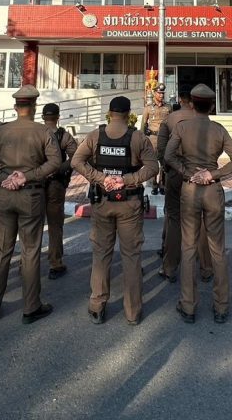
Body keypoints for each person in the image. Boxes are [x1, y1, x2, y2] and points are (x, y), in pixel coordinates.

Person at [0, 85, 62, 324]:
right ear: (34, 107)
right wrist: (28, 176)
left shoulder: (1, 131)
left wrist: (1, 177)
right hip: (31, 195)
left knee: (1, 252)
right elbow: (55, 162)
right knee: (30, 251)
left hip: (4, 194)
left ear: (16, 107)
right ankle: (30, 307)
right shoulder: (43, 131)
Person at [71, 96, 159, 325]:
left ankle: (97, 306)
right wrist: (127, 180)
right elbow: (153, 167)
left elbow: (76, 162)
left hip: (102, 202)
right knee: (131, 257)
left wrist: (100, 178)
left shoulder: (95, 136)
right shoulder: (138, 138)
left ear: (110, 113)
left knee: (101, 254)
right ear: (128, 114)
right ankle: (133, 312)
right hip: (130, 204)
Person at [164, 84, 232, 324]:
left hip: (190, 188)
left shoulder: (182, 127)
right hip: (212, 189)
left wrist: (187, 172)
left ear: (192, 104)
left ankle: (188, 305)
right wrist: (212, 174)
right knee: (217, 249)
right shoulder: (218, 129)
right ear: (211, 106)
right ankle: (221, 306)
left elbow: (168, 156)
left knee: (189, 247)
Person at [156, 85, 213, 283]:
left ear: (181, 99)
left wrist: (168, 169)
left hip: (176, 173)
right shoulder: (205, 120)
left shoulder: (170, 118)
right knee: (202, 220)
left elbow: (162, 149)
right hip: (200, 174)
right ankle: (206, 268)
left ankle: (170, 267)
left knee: (173, 219)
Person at [41, 103, 77, 280]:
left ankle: (26, 263)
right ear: (58, 117)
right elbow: (76, 158)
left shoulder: (35, 133)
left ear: (43, 117)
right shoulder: (64, 136)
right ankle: (55, 263)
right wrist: (58, 169)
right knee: (55, 225)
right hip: (56, 184)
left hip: (35, 183)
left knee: (31, 225)